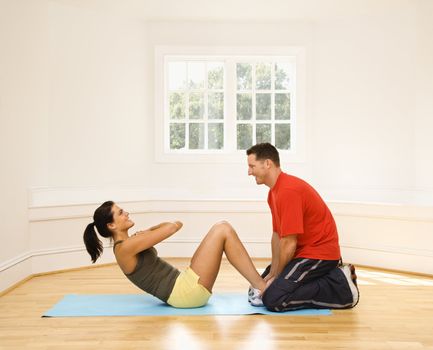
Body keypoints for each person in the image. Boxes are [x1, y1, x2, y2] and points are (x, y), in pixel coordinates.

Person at [83, 201, 266, 308]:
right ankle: (261, 287)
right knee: (222, 228)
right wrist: (149, 230)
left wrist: (147, 232)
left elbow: (177, 223)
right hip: (184, 293)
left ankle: (258, 284)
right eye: (121, 212)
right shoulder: (125, 248)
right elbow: (173, 226)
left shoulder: (129, 244)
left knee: (222, 228)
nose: (127, 213)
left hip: (183, 285)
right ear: (111, 226)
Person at [246, 143, 359, 312]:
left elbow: (289, 243)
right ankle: (310, 279)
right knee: (257, 286)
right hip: (302, 253)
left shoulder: (288, 190)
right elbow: (278, 236)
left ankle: (339, 285)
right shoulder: (273, 193)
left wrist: (277, 277)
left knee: (272, 299)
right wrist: (272, 273)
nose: (249, 172)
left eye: (252, 166)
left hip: (320, 254)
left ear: (267, 163)